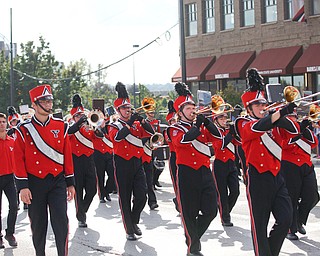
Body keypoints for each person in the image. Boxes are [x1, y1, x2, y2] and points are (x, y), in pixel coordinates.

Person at [234, 68, 299, 256]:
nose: (263, 107)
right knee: (259, 226)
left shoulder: (273, 121)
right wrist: (275, 116)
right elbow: (256, 128)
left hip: (277, 177)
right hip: (257, 178)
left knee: (286, 219)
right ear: (249, 108)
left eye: (264, 103)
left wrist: (283, 114)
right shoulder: (242, 122)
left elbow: (295, 131)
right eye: (258, 105)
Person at [14, 84, 75, 256]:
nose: (49, 104)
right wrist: (23, 186)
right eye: (45, 101)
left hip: (57, 181)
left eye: (50, 100)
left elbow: (67, 155)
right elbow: (18, 160)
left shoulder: (61, 126)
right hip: (34, 183)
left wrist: (70, 182)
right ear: (34, 104)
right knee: (38, 226)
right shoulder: (23, 130)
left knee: (61, 222)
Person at [168, 82, 218, 256]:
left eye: (193, 107)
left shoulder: (201, 127)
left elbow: (218, 136)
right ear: (180, 112)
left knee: (212, 210)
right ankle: (193, 247)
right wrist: (197, 126)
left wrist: (208, 123)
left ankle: (192, 237)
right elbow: (182, 141)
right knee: (189, 213)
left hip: (205, 171)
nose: (192, 110)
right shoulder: (174, 128)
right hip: (187, 173)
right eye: (188, 108)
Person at [107, 82, 154, 241]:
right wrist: (130, 122)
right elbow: (118, 137)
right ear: (118, 110)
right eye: (124, 109)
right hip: (121, 163)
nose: (128, 110)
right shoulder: (113, 125)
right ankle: (129, 230)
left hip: (137, 163)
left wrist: (143, 121)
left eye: (129, 108)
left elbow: (151, 133)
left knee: (142, 196)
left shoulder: (135, 124)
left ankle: (133, 221)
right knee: (125, 198)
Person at [281, 111, 320, 240]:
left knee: (313, 196)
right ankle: (290, 229)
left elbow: (313, 143)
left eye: (295, 116)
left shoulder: (301, 128)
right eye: (291, 116)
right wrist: (299, 130)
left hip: (306, 165)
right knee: (292, 197)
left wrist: (305, 128)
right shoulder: (281, 129)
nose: (294, 119)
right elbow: (284, 145)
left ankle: (299, 220)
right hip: (289, 165)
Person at [68, 94, 97, 228]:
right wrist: (79, 122)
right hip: (76, 160)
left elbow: (99, 136)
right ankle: (81, 217)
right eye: (78, 116)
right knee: (78, 190)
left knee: (92, 190)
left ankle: (82, 210)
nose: (81, 118)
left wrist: (95, 126)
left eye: (82, 115)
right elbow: (69, 132)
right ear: (73, 117)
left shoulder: (89, 126)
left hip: (89, 160)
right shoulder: (70, 127)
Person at [210, 108, 240, 227]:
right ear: (216, 120)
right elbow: (220, 145)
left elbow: (239, 142)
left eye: (225, 118)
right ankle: (225, 218)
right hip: (219, 164)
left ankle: (225, 210)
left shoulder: (229, 130)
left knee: (235, 191)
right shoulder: (214, 132)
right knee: (222, 193)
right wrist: (230, 134)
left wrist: (236, 132)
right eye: (221, 118)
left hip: (231, 163)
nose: (224, 120)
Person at [0, 113, 18, 248]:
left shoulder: (12, 141)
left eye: (3, 122)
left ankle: (10, 233)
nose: (2, 124)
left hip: (10, 178)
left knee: (14, 206)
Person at [92, 114, 116, 203]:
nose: (103, 122)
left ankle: (106, 191)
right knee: (100, 176)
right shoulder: (94, 129)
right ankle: (101, 195)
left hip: (109, 153)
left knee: (112, 175)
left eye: (104, 120)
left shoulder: (109, 128)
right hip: (98, 154)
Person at [163, 100, 179, 212]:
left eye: (175, 119)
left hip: (184, 156)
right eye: (172, 120)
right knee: (176, 183)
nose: (174, 122)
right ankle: (179, 202)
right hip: (174, 156)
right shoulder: (168, 131)